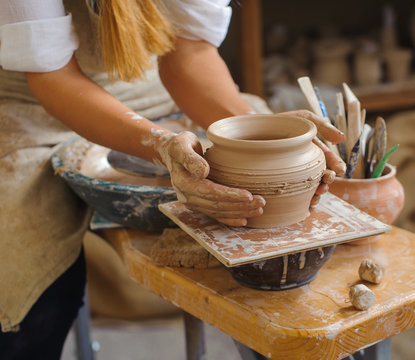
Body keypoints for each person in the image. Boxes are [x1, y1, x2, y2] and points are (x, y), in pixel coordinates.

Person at [0, 0, 345, 358]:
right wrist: (161, 144)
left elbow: (190, 51)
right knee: (19, 256)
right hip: (35, 95)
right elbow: (51, 76)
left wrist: (258, 130)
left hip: (147, 74)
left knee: (275, 220)